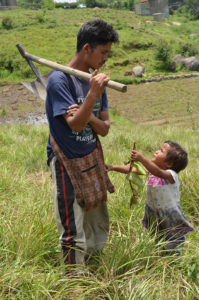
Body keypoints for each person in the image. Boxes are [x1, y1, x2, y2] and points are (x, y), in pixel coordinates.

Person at [45, 19, 118, 273]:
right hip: (67, 159)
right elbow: (74, 126)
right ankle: (76, 282)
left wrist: (89, 110)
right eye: (103, 52)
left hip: (91, 156)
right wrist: (91, 98)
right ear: (87, 48)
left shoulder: (96, 82)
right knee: (72, 226)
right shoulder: (59, 81)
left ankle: (96, 269)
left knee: (97, 220)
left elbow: (105, 129)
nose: (106, 58)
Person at [108, 141, 194, 255]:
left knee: (172, 238)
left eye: (161, 151)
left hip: (168, 214)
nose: (156, 151)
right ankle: (156, 254)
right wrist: (112, 167)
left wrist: (142, 158)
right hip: (152, 211)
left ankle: (175, 260)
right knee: (153, 235)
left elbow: (157, 172)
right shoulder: (150, 170)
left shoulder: (171, 175)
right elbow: (132, 170)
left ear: (169, 164)